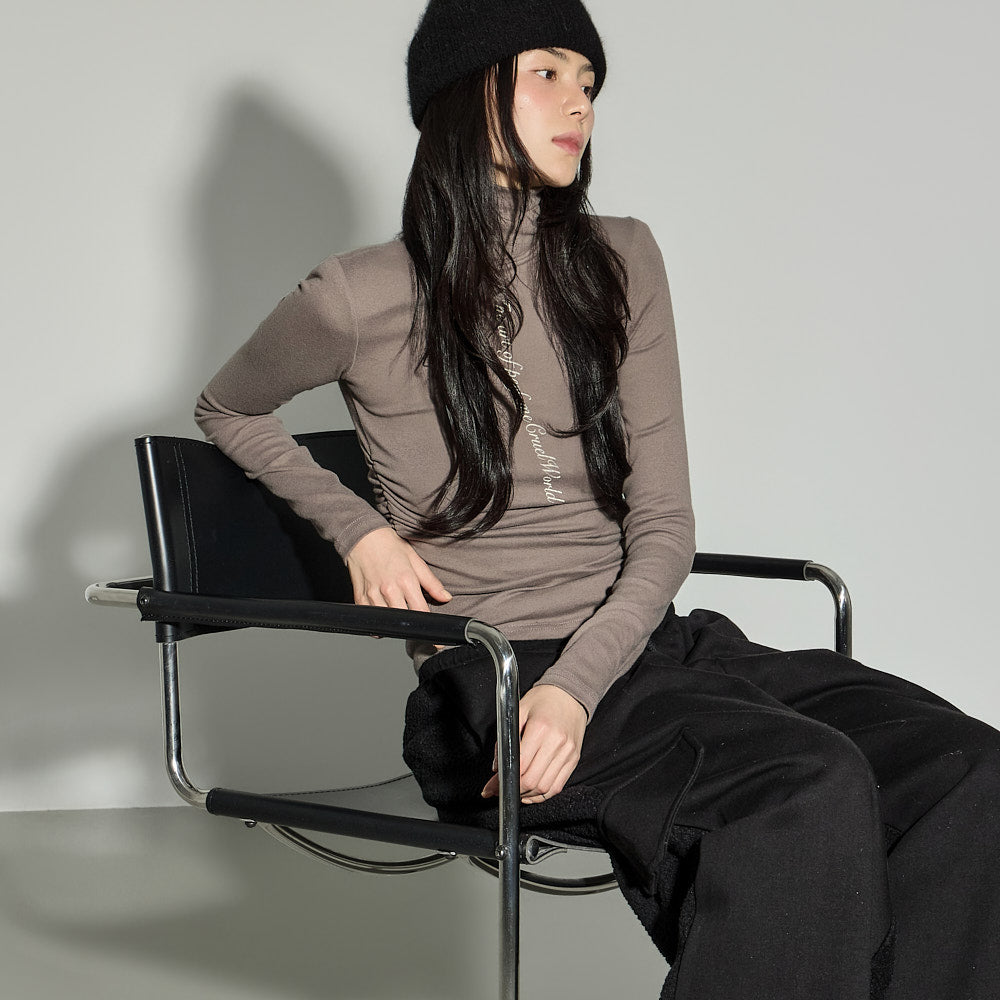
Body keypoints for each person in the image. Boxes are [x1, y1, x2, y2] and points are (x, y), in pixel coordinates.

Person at [194, 2, 1000, 997]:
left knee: (968, 770)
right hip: (497, 679)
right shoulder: (356, 296)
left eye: (589, 81)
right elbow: (228, 406)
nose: (579, 101)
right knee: (804, 786)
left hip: (646, 651)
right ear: (466, 91)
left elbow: (665, 524)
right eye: (548, 73)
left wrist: (581, 687)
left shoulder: (620, 260)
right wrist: (358, 530)